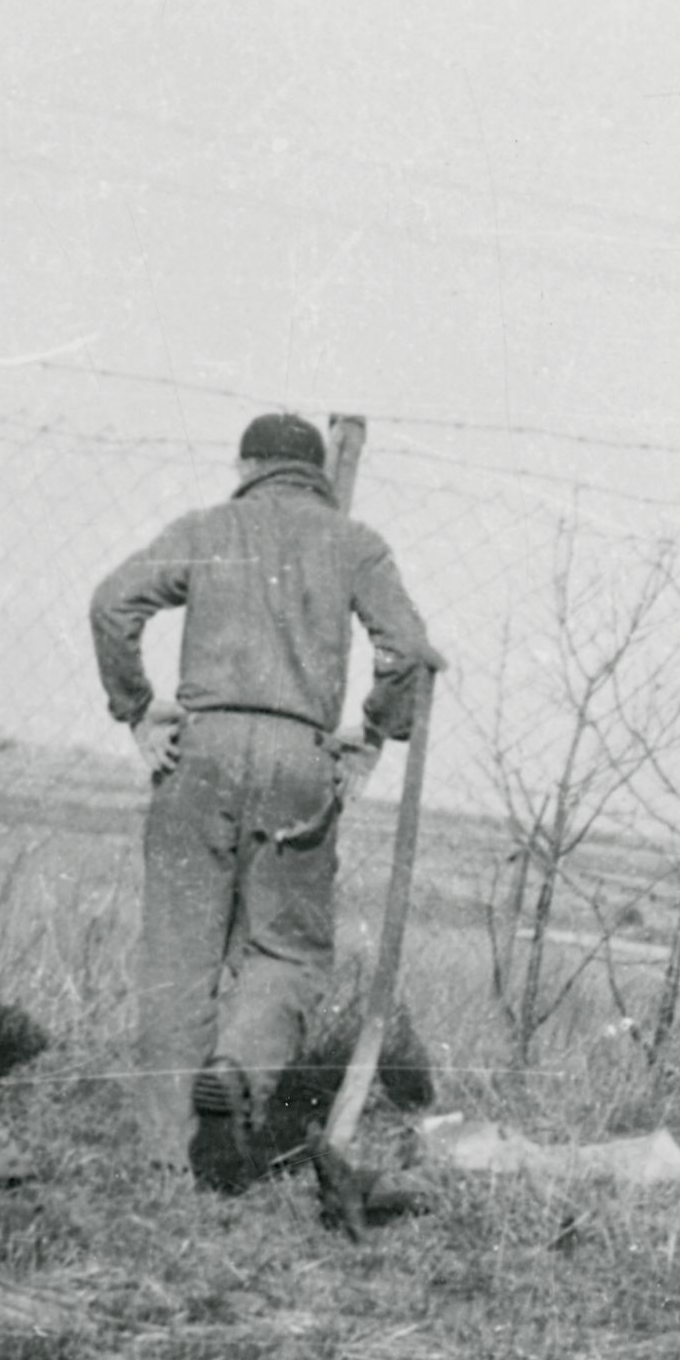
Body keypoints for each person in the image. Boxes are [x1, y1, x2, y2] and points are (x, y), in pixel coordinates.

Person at [88, 412, 436, 1185]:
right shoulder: (354, 543)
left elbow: (111, 604)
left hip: (200, 751)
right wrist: (375, 733)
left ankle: (167, 1153)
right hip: (298, 759)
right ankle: (241, 1066)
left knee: (178, 952)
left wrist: (136, 709)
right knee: (287, 948)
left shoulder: (207, 527)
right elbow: (409, 651)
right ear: (316, 476)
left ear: (247, 467)